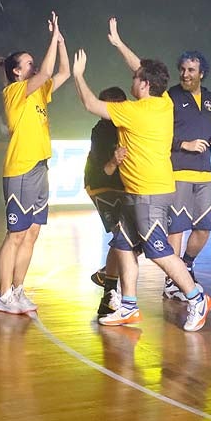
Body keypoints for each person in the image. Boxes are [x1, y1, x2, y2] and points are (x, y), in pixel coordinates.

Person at [72, 18, 211, 332]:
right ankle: (129, 306)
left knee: (158, 252)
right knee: (122, 244)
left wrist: (78, 75)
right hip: (144, 191)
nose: (132, 80)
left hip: (148, 194)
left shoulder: (132, 112)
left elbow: (89, 102)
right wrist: (119, 43)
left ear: (144, 86)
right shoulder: (163, 102)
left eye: (136, 79)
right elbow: (144, 69)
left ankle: (196, 297)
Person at [0, 12, 70, 314]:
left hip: (40, 167)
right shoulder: (14, 92)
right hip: (20, 168)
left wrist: (60, 39)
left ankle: (18, 289)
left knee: (32, 232)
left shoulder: (38, 91)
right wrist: (51, 38)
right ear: (16, 72)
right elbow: (48, 69)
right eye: (27, 62)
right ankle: (2, 294)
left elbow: (61, 72)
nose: (33, 64)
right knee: (15, 234)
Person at [164, 50, 211, 300]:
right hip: (178, 170)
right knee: (176, 229)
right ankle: (171, 281)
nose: (185, 74)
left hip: (204, 173)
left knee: (204, 228)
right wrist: (183, 144)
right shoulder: (170, 96)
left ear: (201, 74)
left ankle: (185, 266)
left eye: (191, 70)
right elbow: (161, 133)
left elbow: (210, 129)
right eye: (183, 69)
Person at [83, 87, 129, 317]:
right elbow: (106, 169)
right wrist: (115, 159)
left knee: (134, 238)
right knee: (122, 236)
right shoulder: (100, 131)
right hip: (101, 184)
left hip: (123, 185)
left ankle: (106, 274)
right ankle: (109, 294)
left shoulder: (129, 123)